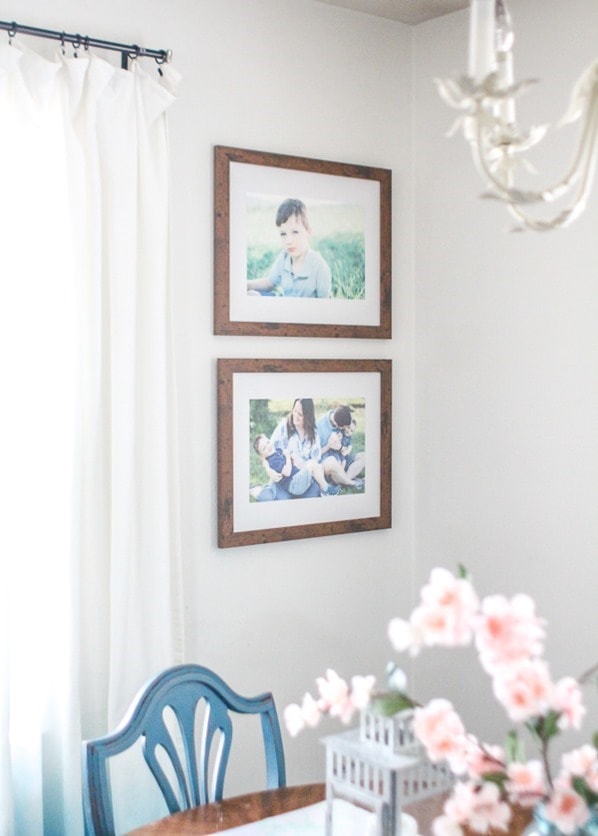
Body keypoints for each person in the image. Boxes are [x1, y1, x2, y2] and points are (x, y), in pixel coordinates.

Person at [247, 198, 331, 298]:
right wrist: (247, 284)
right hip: (284, 306)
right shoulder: (284, 257)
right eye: (283, 234)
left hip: (305, 312)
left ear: (308, 232)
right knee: (251, 294)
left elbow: (324, 302)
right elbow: (270, 283)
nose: (289, 241)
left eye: (295, 232)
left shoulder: (319, 266)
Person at [264, 398, 339, 498]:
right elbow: (266, 451)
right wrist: (268, 469)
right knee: (279, 498)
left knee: (312, 494)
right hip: (285, 478)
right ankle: (327, 490)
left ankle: (325, 490)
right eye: (294, 411)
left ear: (308, 416)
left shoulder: (314, 433)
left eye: (300, 414)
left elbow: (316, 461)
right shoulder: (283, 427)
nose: (295, 416)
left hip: (304, 477)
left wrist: (302, 464)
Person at [317, 405, 365, 489]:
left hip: (342, 458)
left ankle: (342, 481)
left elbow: (345, 446)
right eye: (345, 428)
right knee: (332, 462)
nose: (347, 430)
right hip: (330, 464)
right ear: (338, 425)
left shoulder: (341, 415)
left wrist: (341, 448)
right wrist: (329, 446)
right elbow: (316, 454)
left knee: (365, 456)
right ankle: (352, 483)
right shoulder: (319, 427)